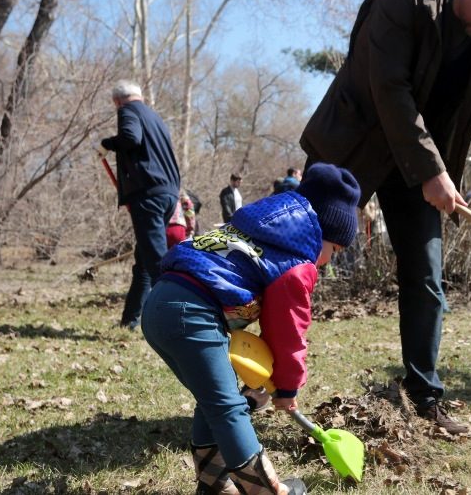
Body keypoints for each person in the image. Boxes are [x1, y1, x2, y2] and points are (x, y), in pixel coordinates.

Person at [299, 0, 471, 434]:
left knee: (426, 280)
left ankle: (424, 397)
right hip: (353, 149)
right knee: (296, 260)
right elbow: (390, 90)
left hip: (418, 171)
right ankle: (252, 380)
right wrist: (434, 172)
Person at [141, 162, 360, 495]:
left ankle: (214, 483)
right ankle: (264, 490)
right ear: (322, 234)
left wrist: (264, 382)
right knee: (227, 407)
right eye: (335, 250)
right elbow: (287, 329)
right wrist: (287, 388)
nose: (329, 260)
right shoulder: (296, 262)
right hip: (191, 313)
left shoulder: (259, 231)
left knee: (214, 399)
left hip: (160, 305)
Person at [99, 80, 181, 329]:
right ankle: (130, 320)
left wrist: (106, 144)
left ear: (117, 101)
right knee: (144, 259)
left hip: (149, 195)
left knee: (156, 261)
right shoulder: (155, 117)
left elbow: (130, 139)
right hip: (168, 193)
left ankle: (177, 321)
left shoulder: (128, 111)